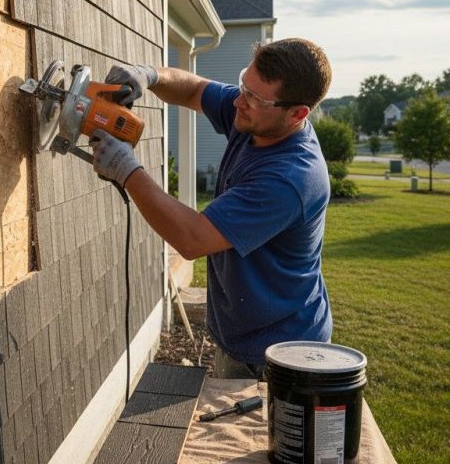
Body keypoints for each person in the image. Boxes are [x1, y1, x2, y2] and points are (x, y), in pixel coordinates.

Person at [90, 38, 333, 379]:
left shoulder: (291, 178)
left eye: (254, 98)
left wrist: (126, 170)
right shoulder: (252, 116)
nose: (237, 101)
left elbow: (192, 239)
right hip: (247, 338)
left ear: (297, 114)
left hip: (279, 356)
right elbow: (194, 90)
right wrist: (149, 76)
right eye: (242, 86)